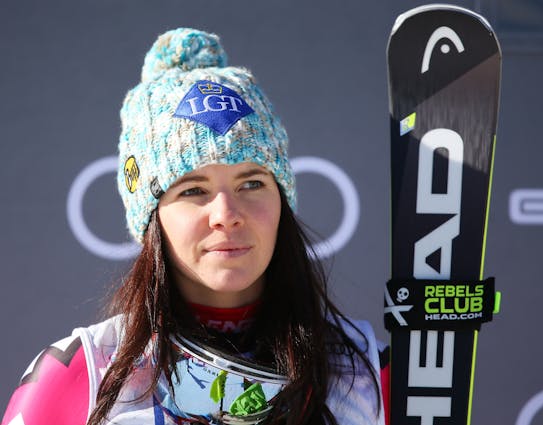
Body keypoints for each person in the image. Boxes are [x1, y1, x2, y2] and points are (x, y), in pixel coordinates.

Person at [1, 28, 389, 425]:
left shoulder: (367, 374)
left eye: (251, 183)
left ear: (281, 198)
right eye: (193, 190)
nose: (226, 213)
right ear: (152, 216)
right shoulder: (80, 377)